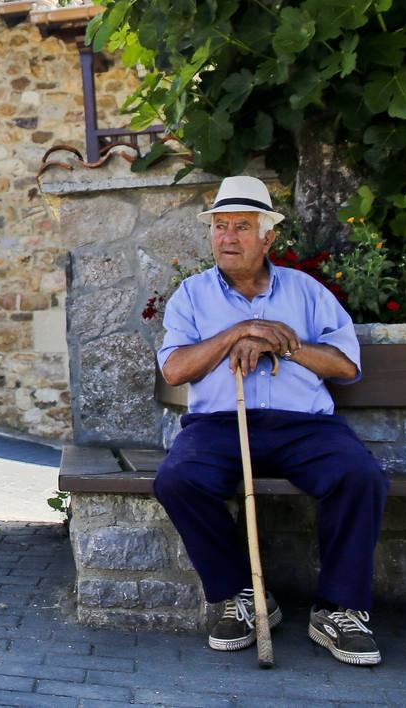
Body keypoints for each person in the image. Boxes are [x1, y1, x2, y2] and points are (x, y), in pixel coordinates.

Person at [152, 175, 389, 667]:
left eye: (241, 226)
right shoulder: (192, 296)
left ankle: (339, 609)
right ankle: (241, 595)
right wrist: (238, 332)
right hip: (219, 424)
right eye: (220, 226)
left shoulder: (306, 291)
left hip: (304, 427)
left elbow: (346, 367)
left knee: (358, 476)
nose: (228, 237)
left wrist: (287, 343)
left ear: (268, 236)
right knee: (177, 479)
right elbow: (175, 368)